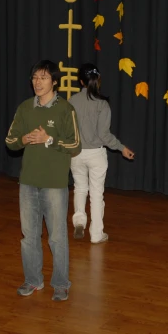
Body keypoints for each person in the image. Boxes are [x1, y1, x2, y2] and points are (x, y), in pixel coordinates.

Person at [5, 60, 81, 301]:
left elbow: (76, 145)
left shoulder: (66, 109)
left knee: (57, 236)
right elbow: (10, 141)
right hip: (28, 181)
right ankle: (32, 280)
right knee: (29, 235)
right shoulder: (25, 108)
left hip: (55, 183)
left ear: (55, 82)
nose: (38, 82)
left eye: (44, 78)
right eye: (35, 77)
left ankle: (60, 283)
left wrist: (49, 139)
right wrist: (24, 140)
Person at [68, 64, 134, 244]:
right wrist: (122, 148)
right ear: (98, 81)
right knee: (97, 194)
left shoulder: (72, 101)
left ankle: (79, 220)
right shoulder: (102, 104)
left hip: (76, 153)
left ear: (80, 81)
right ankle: (96, 234)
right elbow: (104, 135)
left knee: (80, 188)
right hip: (96, 155)